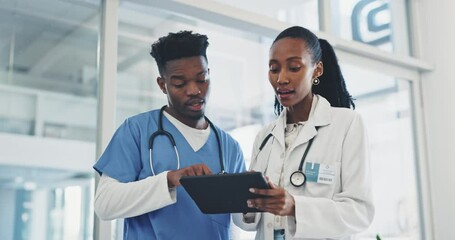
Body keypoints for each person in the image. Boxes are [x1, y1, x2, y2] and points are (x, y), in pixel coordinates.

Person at [93, 30, 246, 239]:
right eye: (180, 83)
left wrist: (256, 197)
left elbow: (241, 220)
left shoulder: (229, 146)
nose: (194, 90)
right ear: (162, 84)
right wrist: (169, 180)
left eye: (201, 79)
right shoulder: (137, 131)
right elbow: (105, 204)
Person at [233, 26, 374, 239]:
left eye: (294, 67)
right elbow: (249, 222)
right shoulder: (265, 136)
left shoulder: (346, 124)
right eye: (274, 69)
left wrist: (295, 206)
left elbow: (360, 212)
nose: (281, 78)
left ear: (317, 70)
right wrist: (246, 199)